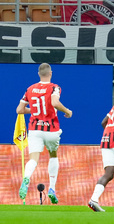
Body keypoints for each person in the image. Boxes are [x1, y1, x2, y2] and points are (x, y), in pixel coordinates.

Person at [17, 63, 73, 203]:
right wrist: (67, 111)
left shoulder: (30, 89)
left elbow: (19, 110)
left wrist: (34, 111)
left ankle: (26, 178)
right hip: (51, 129)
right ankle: (52, 189)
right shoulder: (54, 87)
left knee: (33, 159)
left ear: (38, 74)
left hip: (35, 129)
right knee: (53, 155)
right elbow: (54, 103)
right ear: (51, 73)